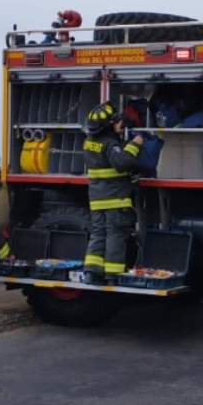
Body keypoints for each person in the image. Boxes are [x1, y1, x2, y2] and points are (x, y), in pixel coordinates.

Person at [80, 102, 143, 284]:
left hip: (97, 200)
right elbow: (122, 162)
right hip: (115, 200)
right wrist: (135, 144)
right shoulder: (109, 144)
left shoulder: (88, 143)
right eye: (115, 122)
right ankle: (112, 275)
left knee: (98, 234)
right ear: (108, 126)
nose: (119, 124)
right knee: (116, 235)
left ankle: (91, 272)